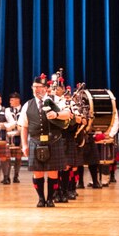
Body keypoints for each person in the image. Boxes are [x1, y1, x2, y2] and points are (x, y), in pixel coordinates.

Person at [19, 74, 72, 207]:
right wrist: (24, 145)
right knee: (38, 173)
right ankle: (41, 199)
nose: (37, 90)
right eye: (34, 87)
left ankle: (50, 199)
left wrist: (56, 114)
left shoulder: (56, 100)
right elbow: (24, 127)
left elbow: (68, 114)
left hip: (54, 141)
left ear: (46, 88)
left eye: (40, 87)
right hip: (35, 142)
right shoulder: (27, 105)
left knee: (53, 171)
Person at [4, 92, 24, 183]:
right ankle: (6, 177)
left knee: (18, 157)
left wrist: (15, 125)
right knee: (7, 157)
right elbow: (10, 121)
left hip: (21, 136)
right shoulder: (7, 110)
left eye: (12, 100)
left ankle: (16, 176)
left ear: (17, 100)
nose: (10, 102)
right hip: (10, 136)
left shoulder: (24, 109)